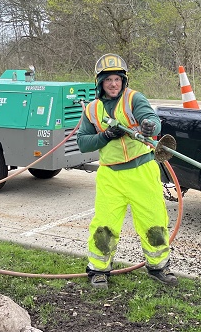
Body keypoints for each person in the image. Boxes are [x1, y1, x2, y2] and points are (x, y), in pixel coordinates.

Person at [76, 53, 178, 289]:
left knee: (153, 220)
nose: (114, 84)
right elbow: (83, 143)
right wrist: (106, 136)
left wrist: (149, 125)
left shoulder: (134, 99)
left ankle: (158, 267)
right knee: (105, 224)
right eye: (108, 79)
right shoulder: (92, 110)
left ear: (124, 81)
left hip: (141, 170)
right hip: (110, 176)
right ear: (100, 82)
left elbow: (153, 119)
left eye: (118, 79)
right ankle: (99, 270)